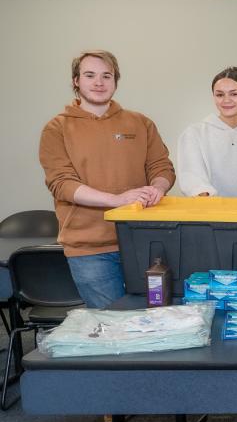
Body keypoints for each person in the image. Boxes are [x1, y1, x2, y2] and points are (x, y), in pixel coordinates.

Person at [38, 50, 175, 308]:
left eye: (106, 76)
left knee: (156, 319)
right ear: (76, 81)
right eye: (90, 75)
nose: (99, 83)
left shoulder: (140, 123)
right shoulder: (56, 129)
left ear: (115, 81)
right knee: (115, 326)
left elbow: (162, 167)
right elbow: (62, 184)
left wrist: (158, 187)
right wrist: (117, 200)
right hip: (90, 249)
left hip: (142, 241)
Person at [177, 66, 237, 197]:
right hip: (211, 211)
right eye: (220, 95)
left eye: (234, 94)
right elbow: (192, 176)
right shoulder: (195, 133)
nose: (226, 100)